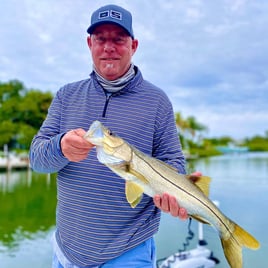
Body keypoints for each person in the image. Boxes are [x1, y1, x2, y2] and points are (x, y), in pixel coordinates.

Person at [29, 4, 194, 268]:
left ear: (134, 45)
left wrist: (172, 192)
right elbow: (37, 160)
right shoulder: (66, 96)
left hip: (129, 252)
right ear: (89, 43)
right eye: (100, 39)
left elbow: (173, 160)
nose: (109, 47)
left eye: (118, 39)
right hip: (67, 251)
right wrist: (60, 147)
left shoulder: (157, 101)